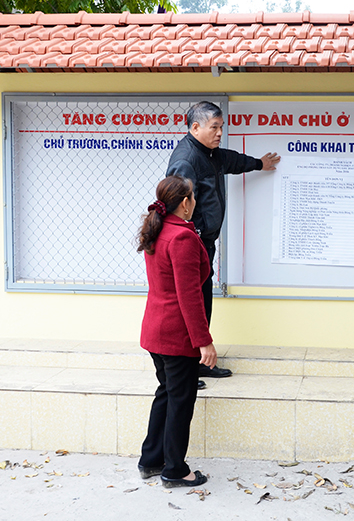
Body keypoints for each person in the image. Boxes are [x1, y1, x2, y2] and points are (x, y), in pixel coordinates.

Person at [167, 101, 281, 380]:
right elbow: (177, 206)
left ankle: (198, 362)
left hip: (204, 245)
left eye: (221, 127)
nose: (220, 133)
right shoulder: (186, 160)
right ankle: (186, 371)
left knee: (202, 302)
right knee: (191, 305)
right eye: (214, 127)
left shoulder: (210, 153)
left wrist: (259, 164)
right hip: (192, 245)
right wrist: (190, 239)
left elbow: (231, 161)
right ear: (195, 127)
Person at [137, 175, 217, 488]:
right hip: (175, 335)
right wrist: (204, 342)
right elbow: (189, 295)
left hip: (155, 331)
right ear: (185, 203)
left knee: (166, 393)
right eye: (193, 197)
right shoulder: (182, 237)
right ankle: (175, 470)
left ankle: (151, 460)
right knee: (180, 401)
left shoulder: (158, 230)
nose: (195, 201)